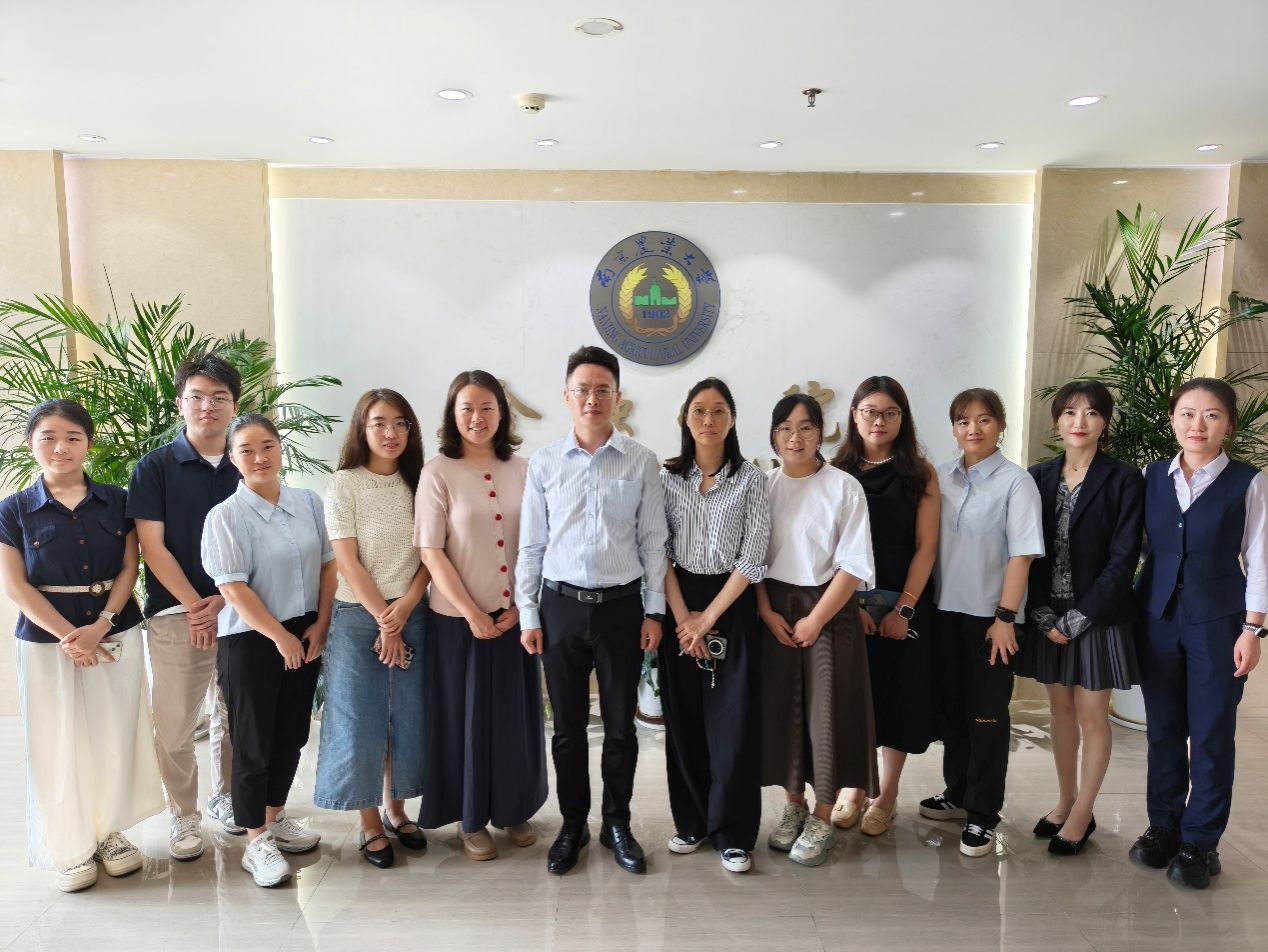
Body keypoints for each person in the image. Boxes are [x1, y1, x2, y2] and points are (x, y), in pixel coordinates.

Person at [517, 345, 668, 876]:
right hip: (559, 607)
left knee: (622, 729)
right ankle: (573, 824)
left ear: (617, 396)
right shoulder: (545, 463)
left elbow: (653, 542)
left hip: (621, 610)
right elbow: (532, 545)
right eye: (582, 390)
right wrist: (528, 613)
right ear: (567, 397)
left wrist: (655, 611)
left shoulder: (641, 460)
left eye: (603, 389)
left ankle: (617, 824)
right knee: (567, 730)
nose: (592, 399)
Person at [0, 399, 164, 892]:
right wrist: (70, 637)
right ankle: (68, 846)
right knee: (57, 739)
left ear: (89, 443)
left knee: (113, 733)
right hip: (46, 642)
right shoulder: (13, 510)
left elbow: (131, 567)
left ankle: (109, 833)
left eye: (72, 437)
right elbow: (16, 586)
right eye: (48, 437)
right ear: (30, 444)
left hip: (115, 630)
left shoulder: (116, 500)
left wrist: (102, 625)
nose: (61, 447)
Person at [1129, 378, 1266, 889]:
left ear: (1229, 424)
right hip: (1157, 618)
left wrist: (1252, 629)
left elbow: (1260, 560)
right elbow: (1139, 548)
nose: (1198, 425)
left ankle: (1200, 842)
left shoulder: (1249, 482)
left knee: (1210, 734)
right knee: (1163, 729)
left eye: (1212, 415)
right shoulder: (1151, 476)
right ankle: (1163, 827)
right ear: (1172, 420)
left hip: (1218, 623)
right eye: (1187, 413)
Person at [201, 413, 336, 887]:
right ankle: (255, 838)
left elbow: (328, 565)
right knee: (253, 741)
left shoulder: (308, 503)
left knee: (292, 732)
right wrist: (279, 637)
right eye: (246, 450)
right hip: (251, 637)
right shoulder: (226, 516)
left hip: (306, 629)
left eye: (267, 447)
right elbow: (233, 588)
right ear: (232, 458)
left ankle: (273, 817)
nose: (259, 457)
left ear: (281, 449)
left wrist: (321, 624)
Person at [417, 371, 547, 861]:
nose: (478, 417)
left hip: (516, 621)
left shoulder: (526, 469)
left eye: (487, 407)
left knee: (514, 719)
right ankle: (469, 819)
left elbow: (540, 544)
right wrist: (471, 612)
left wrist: (522, 606)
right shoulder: (437, 473)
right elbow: (431, 551)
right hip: (456, 622)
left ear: (502, 413)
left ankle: (513, 808)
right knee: (464, 720)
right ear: (453, 415)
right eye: (467, 408)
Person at [1016, 381, 1144, 855]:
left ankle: (1083, 812)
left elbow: (1124, 557)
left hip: (1099, 616)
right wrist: (1041, 611)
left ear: (1104, 421)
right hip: (1048, 613)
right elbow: (1025, 549)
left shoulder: (1124, 478)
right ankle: (1065, 800)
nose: (1080, 422)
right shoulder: (1037, 477)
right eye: (1070, 412)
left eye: (1091, 412)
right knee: (1060, 711)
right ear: (1057, 420)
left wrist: (1081, 616)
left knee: (1092, 714)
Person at [918, 388, 1043, 858]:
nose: (973, 429)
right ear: (953, 428)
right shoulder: (940, 478)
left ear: (1001, 426)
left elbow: (1022, 555)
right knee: (952, 711)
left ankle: (984, 813)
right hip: (944, 614)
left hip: (992, 621)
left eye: (984, 419)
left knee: (986, 716)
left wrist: (1005, 617)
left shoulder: (1016, 483)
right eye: (963, 420)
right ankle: (957, 794)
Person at [127, 354, 243, 859]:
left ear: (234, 405)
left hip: (241, 611)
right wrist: (198, 606)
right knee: (174, 723)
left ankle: (229, 798)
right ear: (180, 404)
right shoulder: (154, 467)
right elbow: (151, 547)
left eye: (219, 397)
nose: (207, 406)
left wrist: (225, 601)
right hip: (178, 615)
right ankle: (184, 814)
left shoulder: (247, 459)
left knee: (235, 714)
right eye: (197, 396)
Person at [757, 393, 876, 867]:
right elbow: (750, 559)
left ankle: (823, 816)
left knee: (826, 714)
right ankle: (794, 805)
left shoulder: (843, 486)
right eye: (785, 428)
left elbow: (853, 564)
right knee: (785, 711)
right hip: (775, 611)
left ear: (821, 433)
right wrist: (765, 611)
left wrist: (817, 618)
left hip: (829, 611)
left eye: (806, 427)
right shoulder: (763, 486)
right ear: (773, 434)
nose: (795, 437)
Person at [313, 390, 429, 869]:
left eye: (400, 423)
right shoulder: (345, 483)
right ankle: (368, 822)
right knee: (359, 720)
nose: (390, 432)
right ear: (362, 429)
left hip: (413, 612)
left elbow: (432, 554)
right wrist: (386, 619)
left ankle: (397, 810)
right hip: (358, 618)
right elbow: (346, 560)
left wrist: (405, 610)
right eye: (379, 422)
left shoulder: (421, 481)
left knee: (406, 716)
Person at [659, 378, 769, 874]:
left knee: (734, 722)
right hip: (679, 602)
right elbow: (658, 551)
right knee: (684, 719)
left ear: (732, 419)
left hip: (731, 603)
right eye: (699, 410)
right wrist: (685, 618)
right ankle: (693, 822)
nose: (708, 419)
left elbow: (753, 556)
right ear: (686, 418)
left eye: (719, 410)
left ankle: (734, 834)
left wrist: (708, 618)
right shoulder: (666, 479)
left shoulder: (752, 479)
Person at [830, 376, 939, 837]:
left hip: (903, 605)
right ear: (854, 416)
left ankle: (887, 794)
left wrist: (904, 610)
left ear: (902, 419)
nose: (879, 420)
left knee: (898, 699)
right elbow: (829, 548)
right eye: (870, 411)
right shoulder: (834, 472)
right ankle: (854, 787)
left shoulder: (920, 473)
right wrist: (847, 607)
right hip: (848, 605)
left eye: (890, 412)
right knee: (856, 700)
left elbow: (926, 547)